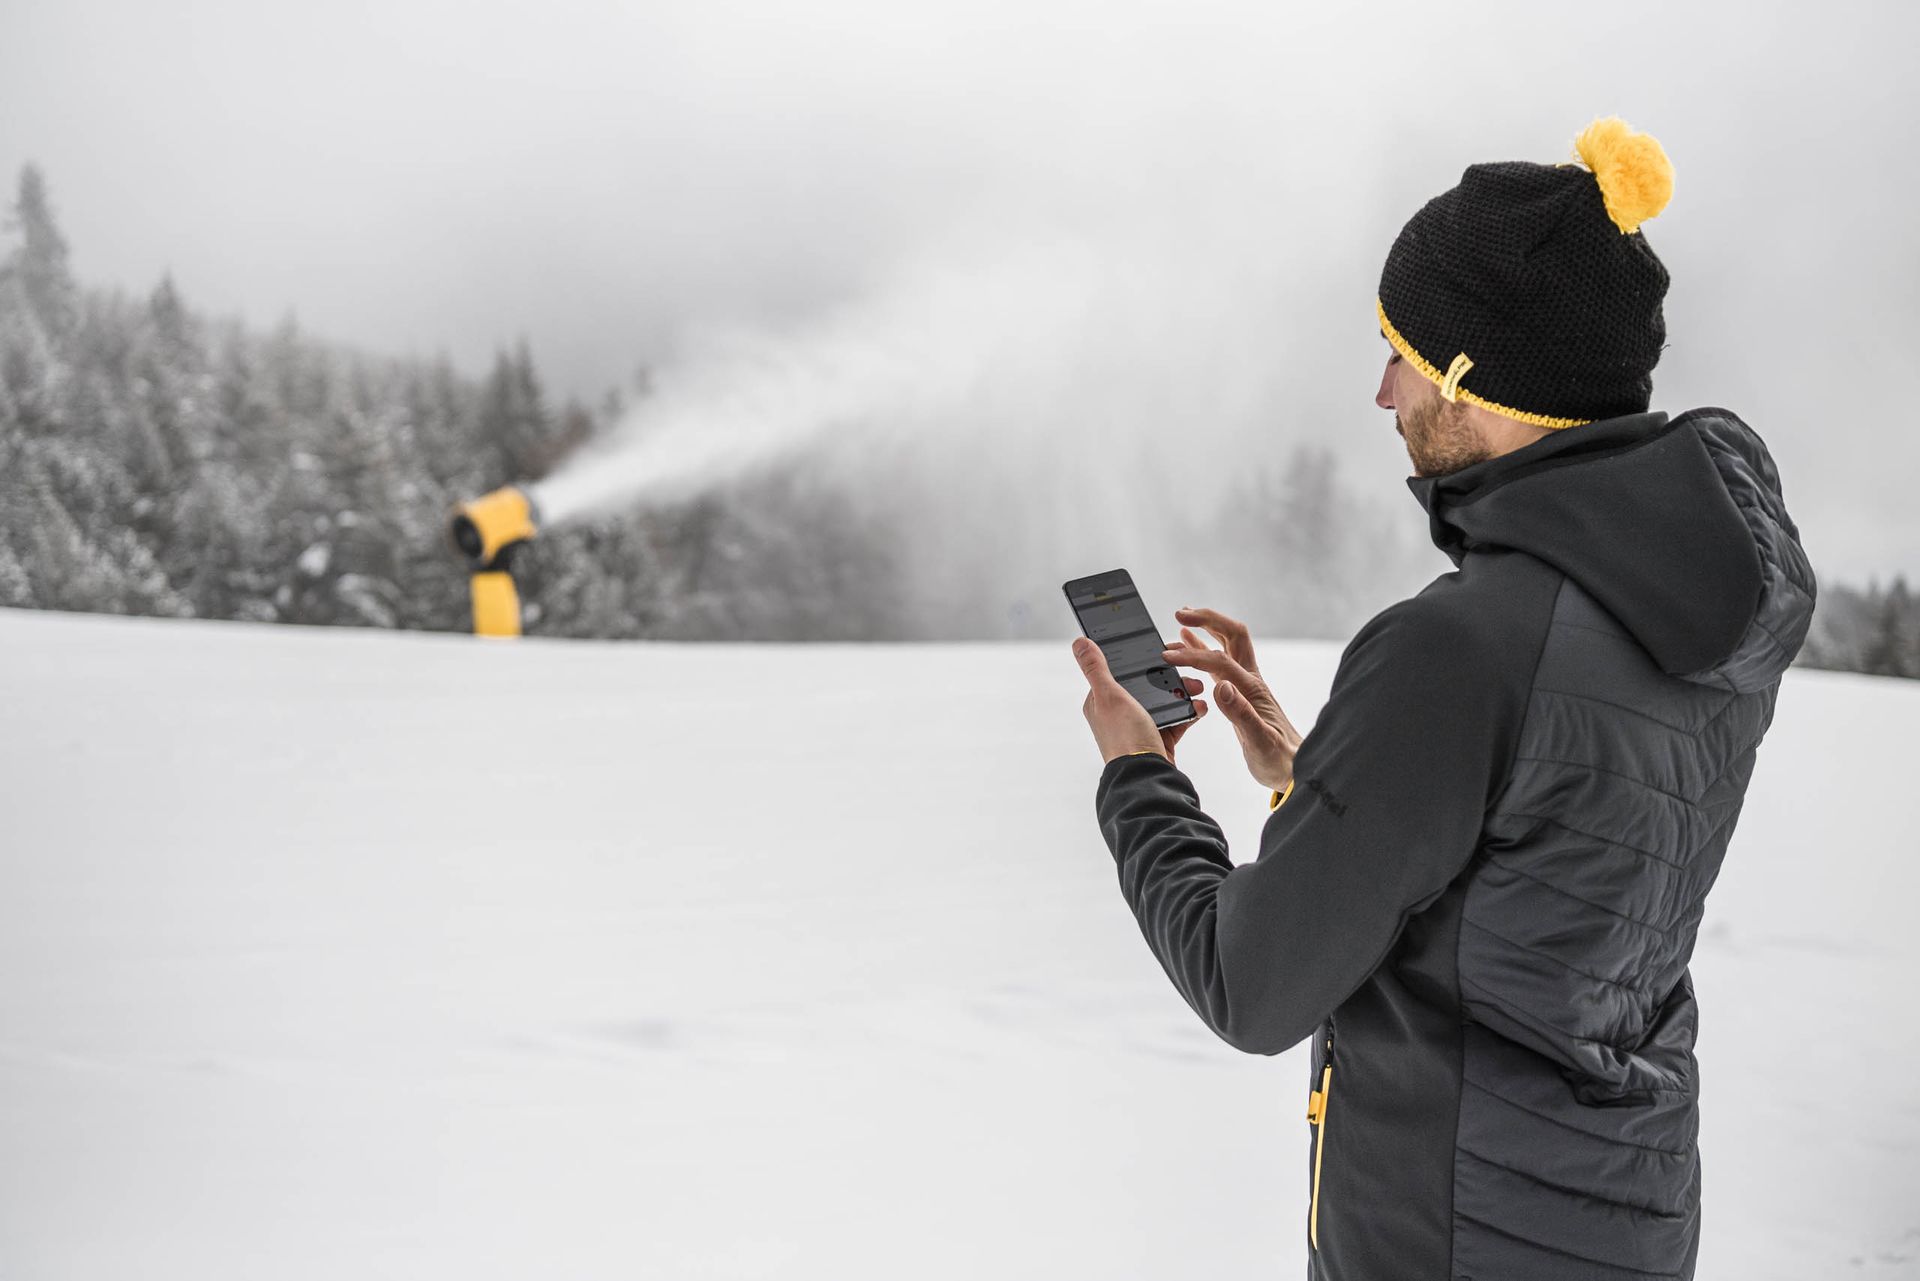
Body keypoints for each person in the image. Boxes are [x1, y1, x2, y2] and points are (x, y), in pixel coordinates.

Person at [1069, 117, 1816, 1280]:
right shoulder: (1695, 611)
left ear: (1477, 373)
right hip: (1616, 1223)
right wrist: (1319, 779)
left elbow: (1250, 983)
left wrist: (1138, 777)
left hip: (1453, 1238)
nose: (1382, 391)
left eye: (1401, 352)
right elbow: (1542, 867)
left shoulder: (1460, 648)